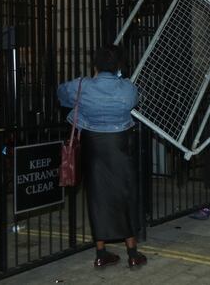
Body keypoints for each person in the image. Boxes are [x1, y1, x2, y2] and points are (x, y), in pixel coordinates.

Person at [57, 46, 147, 268]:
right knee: (125, 196)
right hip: (120, 147)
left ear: (95, 64)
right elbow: (135, 101)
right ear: (118, 66)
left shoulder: (81, 86)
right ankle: (133, 253)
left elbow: (61, 96)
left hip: (94, 147)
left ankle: (100, 253)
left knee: (97, 198)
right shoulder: (126, 88)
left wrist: (91, 81)